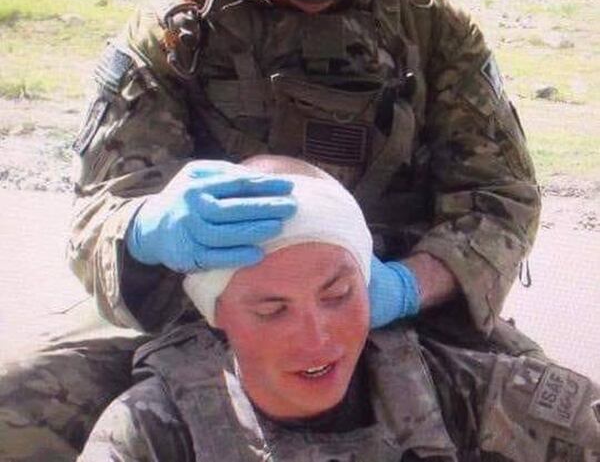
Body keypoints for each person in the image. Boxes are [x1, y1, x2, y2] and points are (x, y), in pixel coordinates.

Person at [0, 0, 541, 459]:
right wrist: (147, 230)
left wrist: (405, 287)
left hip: (398, 311)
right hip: (200, 311)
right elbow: (99, 211)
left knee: (560, 417)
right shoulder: (178, 31)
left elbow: (500, 200)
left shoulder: (433, 31)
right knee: (16, 410)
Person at [79, 156, 599, 462]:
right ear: (219, 317)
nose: (318, 339)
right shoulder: (153, 432)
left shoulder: (454, 390)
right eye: (272, 309)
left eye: (338, 296)